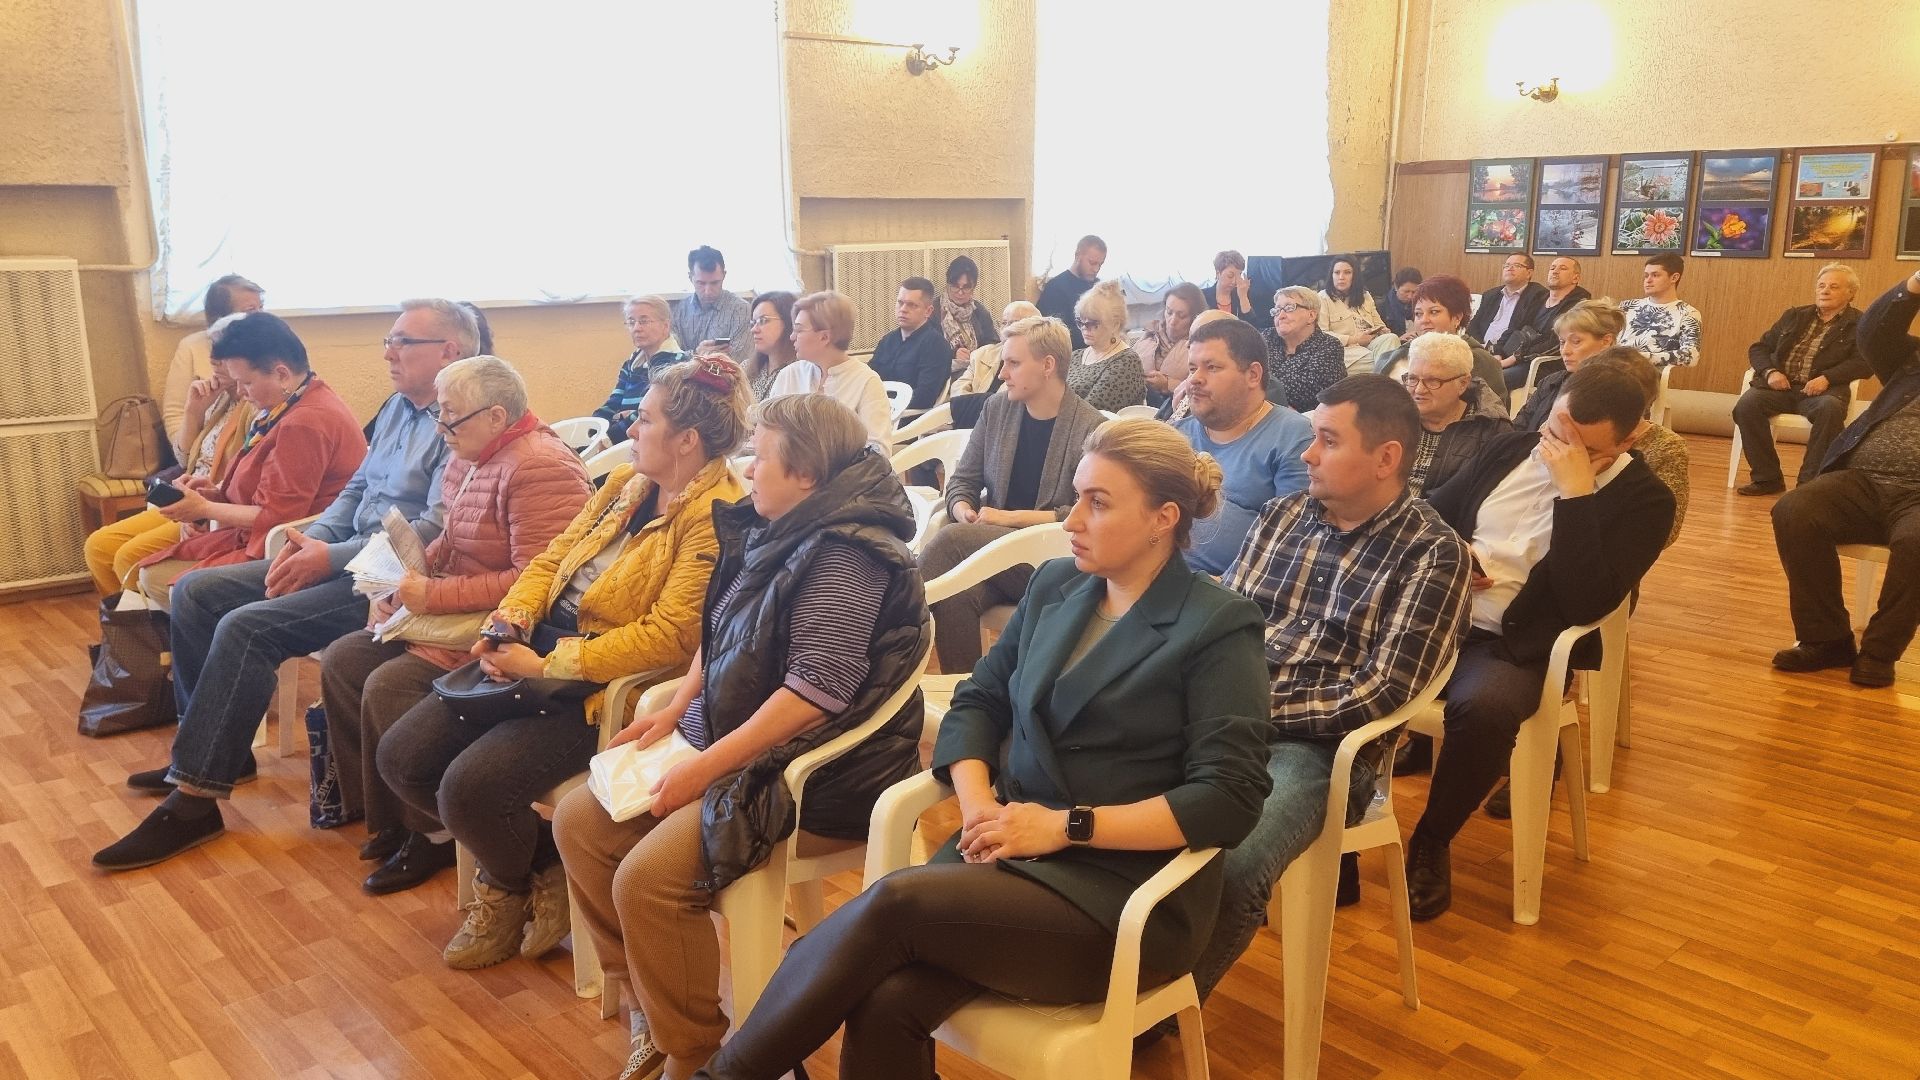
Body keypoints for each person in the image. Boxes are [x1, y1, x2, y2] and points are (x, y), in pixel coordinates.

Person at [690, 418, 1273, 1080]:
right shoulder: (1057, 586)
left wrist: (1065, 827)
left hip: (1121, 894)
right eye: (1076, 496)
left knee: (892, 906)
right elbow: (979, 701)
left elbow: (1229, 797)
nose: (1072, 519)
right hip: (1008, 852)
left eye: (1098, 503)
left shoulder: (1216, 624)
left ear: (1163, 519)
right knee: (884, 999)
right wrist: (977, 805)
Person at [554, 393, 930, 1080]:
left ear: (807, 475)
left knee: (648, 881)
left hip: (809, 771)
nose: (748, 468)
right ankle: (655, 1014)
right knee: (579, 823)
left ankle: (697, 1053)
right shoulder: (779, 523)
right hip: (733, 746)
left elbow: (813, 697)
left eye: (763, 456)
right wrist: (675, 708)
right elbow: (720, 627)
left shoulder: (848, 555)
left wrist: (702, 770)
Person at [379, 358, 752, 971]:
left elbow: (669, 639)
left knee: (468, 789)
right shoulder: (627, 484)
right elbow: (550, 560)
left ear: (687, 439)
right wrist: (509, 622)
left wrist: (546, 664)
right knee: (402, 758)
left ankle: (504, 889)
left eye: (646, 419)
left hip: (600, 689)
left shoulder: (716, 517)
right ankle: (544, 869)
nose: (631, 429)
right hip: (538, 654)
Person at [93, 298, 478, 870]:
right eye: (388, 340)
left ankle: (195, 802)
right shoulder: (400, 406)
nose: (388, 353)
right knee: (196, 593)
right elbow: (357, 489)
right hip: (343, 553)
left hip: (392, 578)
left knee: (246, 628)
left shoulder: (460, 421)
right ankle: (214, 751)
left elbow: (432, 529)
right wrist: (310, 540)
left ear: (448, 351)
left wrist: (328, 555)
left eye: (402, 342)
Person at [1180, 374, 1469, 1013]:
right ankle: (1103, 970)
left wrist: (1245, 710)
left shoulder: (1431, 553)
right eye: (1313, 437)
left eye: (1328, 441)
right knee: (1095, 788)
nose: (1308, 454)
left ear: (1386, 458)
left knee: (1233, 864)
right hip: (1220, 714)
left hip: (1320, 751)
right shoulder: (1283, 515)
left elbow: (1381, 692)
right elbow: (1222, 619)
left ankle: (1151, 1017)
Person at [1404, 364, 1674, 920]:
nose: (1556, 452)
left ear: (1631, 438)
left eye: (1584, 449)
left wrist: (1575, 495)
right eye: (1554, 433)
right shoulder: (1510, 448)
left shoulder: (1645, 500)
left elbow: (1585, 603)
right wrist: (1457, 552)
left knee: (1485, 709)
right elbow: (1429, 511)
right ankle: (1342, 828)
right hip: (1435, 615)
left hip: (1512, 642)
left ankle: (1432, 838)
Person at [319, 355, 590, 895]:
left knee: (388, 683)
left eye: (450, 416)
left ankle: (433, 833)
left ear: (496, 416)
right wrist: (400, 584)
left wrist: (431, 595)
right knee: (344, 660)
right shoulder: (469, 453)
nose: (440, 428)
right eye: (439, 414)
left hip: (499, 628)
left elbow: (537, 580)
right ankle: (392, 815)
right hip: (450, 609)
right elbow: (453, 540)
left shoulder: (540, 467)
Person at [133, 313, 368, 597]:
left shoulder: (303, 423)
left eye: (246, 383)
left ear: (281, 374)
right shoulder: (293, 401)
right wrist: (212, 494)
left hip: (283, 545)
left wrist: (204, 509)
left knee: (156, 578)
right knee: (147, 571)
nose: (241, 393)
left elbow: (276, 515)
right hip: (255, 534)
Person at [924, 315, 1105, 673]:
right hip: (996, 554)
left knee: (950, 541)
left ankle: (880, 621)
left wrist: (1009, 519)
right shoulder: (998, 408)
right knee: (956, 595)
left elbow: (1085, 512)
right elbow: (963, 480)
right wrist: (963, 510)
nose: (1003, 373)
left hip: (1053, 561)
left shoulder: (1090, 428)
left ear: (1048, 366)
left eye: (1013, 363)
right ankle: (968, 691)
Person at [1770, 269, 1920, 689]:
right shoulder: (1911, 361)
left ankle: (1879, 652)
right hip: (1862, 480)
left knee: (1917, 545)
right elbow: (1872, 332)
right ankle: (1827, 640)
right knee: (1795, 509)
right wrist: (1914, 285)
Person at [87, 328, 257, 594]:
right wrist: (193, 410)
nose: (213, 361)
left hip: (211, 507)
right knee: (98, 546)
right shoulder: (221, 399)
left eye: (222, 356)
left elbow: (244, 482)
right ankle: (125, 616)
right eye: (212, 353)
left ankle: (148, 619)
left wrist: (203, 512)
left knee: (128, 558)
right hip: (188, 496)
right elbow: (184, 459)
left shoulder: (255, 407)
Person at [1172, 318, 1311, 575]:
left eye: (1211, 367)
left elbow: (1288, 547)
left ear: (1253, 375)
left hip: (1227, 589)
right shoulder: (1177, 435)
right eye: (1192, 369)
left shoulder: (1292, 437)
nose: (1194, 379)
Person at [1734, 263, 1869, 495]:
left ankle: (1808, 485)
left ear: (1851, 293)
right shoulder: (1795, 316)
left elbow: (1864, 362)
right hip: (1780, 388)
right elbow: (1759, 348)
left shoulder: (1860, 323)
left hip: (1824, 392)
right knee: (1746, 406)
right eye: (1821, 285)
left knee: (1830, 409)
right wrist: (1770, 372)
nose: (1825, 291)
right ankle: (1767, 478)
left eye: (1833, 286)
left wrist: (1828, 378)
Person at [768, 290, 894, 453]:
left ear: (824, 337)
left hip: (843, 469)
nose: (792, 337)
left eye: (799, 330)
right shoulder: (789, 375)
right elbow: (767, 429)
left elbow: (879, 451)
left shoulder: (866, 381)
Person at [162, 274, 264, 458]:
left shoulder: (270, 352)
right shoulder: (192, 348)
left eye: (261, 307)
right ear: (221, 319)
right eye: (250, 311)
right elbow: (175, 416)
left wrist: (237, 385)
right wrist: (194, 413)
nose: (261, 318)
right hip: (197, 458)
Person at [1402, 332, 1513, 497]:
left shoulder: (1491, 431)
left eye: (1433, 381)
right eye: (1412, 379)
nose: (1419, 390)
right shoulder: (1393, 414)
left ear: (1462, 383)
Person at [1374, 274, 1507, 394]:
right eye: (1418, 314)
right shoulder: (1396, 356)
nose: (1424, 320)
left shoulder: (1481, 362)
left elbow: (1495, 409)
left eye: (1434, 312)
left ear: (1457, 317)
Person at [1512, 299, 1625, 432]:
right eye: (1562, 342)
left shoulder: (1620, 392)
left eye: (1576, 341)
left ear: (1606, 341)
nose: (1565, 351)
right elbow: (1518, 428)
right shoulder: (1550, 383)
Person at [1497, 256, 1593, 392]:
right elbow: (1514, 327)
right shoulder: (1538, 298)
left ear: (1575, 278)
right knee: (1478, 371)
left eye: (1563, 268)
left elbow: (1556, 343)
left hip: (1545, 363)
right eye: (1552, 268)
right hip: (1514, 356)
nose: (1555, 271)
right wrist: (1498, 353)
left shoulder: (1578, 305)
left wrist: (1514, 358)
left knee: (1496, 379)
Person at [595, 296, 691, 428]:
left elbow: (651, 415)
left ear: (665, 326)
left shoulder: (676, 365)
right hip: (624, 431)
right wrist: (594, 426)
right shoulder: (632, 363)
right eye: (631, 322)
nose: (636, 328)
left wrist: (609, 435)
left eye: (644, 321)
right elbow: (614, 402)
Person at [869, 277, 955, 412]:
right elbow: (869, 378)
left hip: (909, 417)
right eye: (900, 303)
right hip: (877, 410)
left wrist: (883, 405)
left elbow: (925, 397)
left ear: (928, 311)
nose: (903, 309)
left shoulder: (936, 346)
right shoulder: (887, 341)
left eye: (912, 305)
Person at [1262, 286, 1348, 414]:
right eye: (1277, 310)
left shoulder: (1329, 346)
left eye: (1289, 308)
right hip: (1265, 414)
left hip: (1311, 418)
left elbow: (1301, 393)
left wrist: (1261, 391)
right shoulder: (1267, 337)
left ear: (1311, 315)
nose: (1281, 315)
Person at [1066, 280, 1147, 411]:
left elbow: (1091, 413)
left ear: (1115, 325)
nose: (1085, 329)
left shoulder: (1126, 362)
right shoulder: (1076, 356)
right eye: (1081, 322)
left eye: (1093, 323)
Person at [1617, 253, 1702, 369]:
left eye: (1655, 275)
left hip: (1647, 372)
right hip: (1612, 367)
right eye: (1646, 276)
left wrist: (1638, 358)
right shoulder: (1627, 306)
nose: (1648, 280)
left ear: (1674, 278)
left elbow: (1690, 356)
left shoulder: (1688, 313)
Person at [1319, 254, 1400, 375]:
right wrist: (1354, 339)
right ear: (1331, 276)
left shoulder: (1365, 296)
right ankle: (1386, 376)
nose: (1341, 277)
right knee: (1390, 360)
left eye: (1347, 272)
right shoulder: (1322, 298)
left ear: (1355, 276)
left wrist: (1382, 330)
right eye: (1337, 273)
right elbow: (1322, 335)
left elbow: (1379, 324)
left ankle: (1382, 375)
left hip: (1371, 343)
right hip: (1346, 350)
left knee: (1391, 338)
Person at [675, 245, 754, 368]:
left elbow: (739, 362)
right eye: (701, 283)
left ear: (724, 276)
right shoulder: (680, 310)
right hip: (685, 377)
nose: (708, 291)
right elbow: (672, 357)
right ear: (690, 278)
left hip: (726, 378)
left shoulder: (741, 310)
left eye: (715, 283)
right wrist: (697, 355)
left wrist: (697, 358)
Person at [1157, 309, 1238, 423]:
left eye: (1198, 338)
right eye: (1190, 337)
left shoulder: (1227, 392)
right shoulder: (1188, 381)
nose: (1187, 344)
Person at [1465, 255, 1548, 362]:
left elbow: (1519, 328)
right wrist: (1479, 347)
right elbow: (1474, 325)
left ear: (1529, 273)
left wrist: (1496, 350)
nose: (1510, 268)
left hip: (1508, 355)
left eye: (1517, 265)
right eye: (1507, 265)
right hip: (1480, 350)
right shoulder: (1490, 295)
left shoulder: (1537, 295)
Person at [952, 300, 1040, 397]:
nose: (1006, 328)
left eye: (1014, 323)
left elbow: (1010, 399)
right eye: (1004, 323)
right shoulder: (982, 354)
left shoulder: (1036, 359)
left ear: (1034, 328)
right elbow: (958, 390)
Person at [1137, 283, 1205, 404]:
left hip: (1173, 408)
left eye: (1181, 316)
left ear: (1194, 318)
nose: (1172, 321)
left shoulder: (1198, 347)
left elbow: (1201, 388)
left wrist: (1168, 384)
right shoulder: (1151, 333)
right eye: (1169, 312)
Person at [1038, 234, 1106, 351]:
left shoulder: (1099, 287)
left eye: (1100, 264)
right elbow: (1055, 334)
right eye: (1092, 263)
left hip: (1100, 352)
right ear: (1077, 255)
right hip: (1071, 354)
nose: (1096, 269)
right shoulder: (1056, 287)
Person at [938, 255, 999, 377]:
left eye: (966, 287)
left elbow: (993, 345)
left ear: (973, 288)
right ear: (948, 285)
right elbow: (927, 348)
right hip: (945, 371)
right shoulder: (934, 311)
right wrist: (953, 354)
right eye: (955, 286)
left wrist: (976, 355)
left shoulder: (979, 311)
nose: (960, 292)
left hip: (976, 370)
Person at [741, 291, 799, 401]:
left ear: (788, 322)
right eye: (753, 323)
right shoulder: (745, 368)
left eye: (763, 321)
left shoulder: (802, 372)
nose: (754, 329)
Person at [1202, 249, 1262, 326]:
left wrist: (1243, 297)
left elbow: (1253, 327)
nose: (1234, 281)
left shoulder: (1243, 294)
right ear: (1218, 273)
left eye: (1239, 275)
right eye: (1230, 276)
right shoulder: (1202, 295)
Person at [1380, 266, 1422, 336]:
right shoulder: (1382, 306)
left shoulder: (1422, 303)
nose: (1410, 296)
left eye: (1414, 292)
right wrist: (1399, 338)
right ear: (1396, 287)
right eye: (1406, 291)